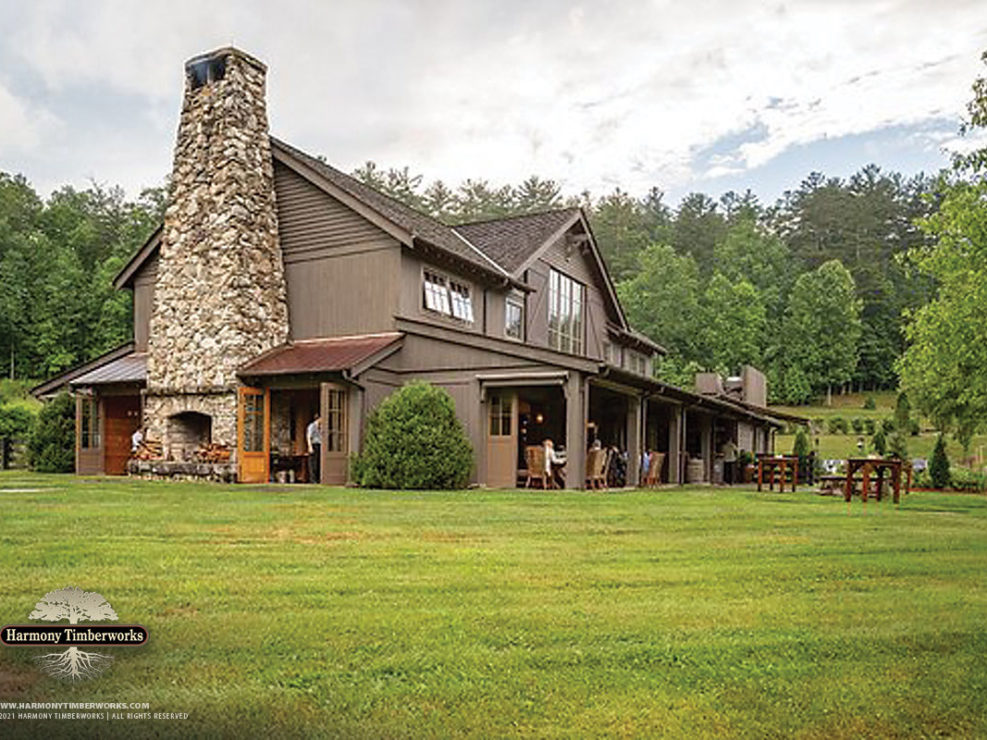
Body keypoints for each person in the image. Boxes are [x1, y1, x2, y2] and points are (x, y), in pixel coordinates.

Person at [306, 414, 322, 484]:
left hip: (319, 445)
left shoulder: (321, 427)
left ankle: (317, 478)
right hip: (313, 444)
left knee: (318, 462)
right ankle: (312, 479)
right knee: (312, 463)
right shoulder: (312, 426)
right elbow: (308, 436)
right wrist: (310, 447)